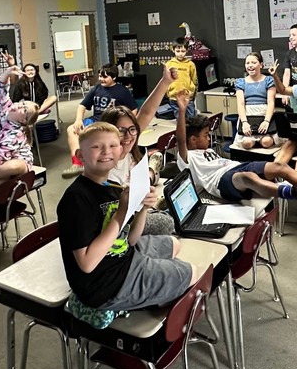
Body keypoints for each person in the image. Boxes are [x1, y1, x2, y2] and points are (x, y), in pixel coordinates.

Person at [57, 122, 198, 313]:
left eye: (113, 146)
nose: (106, 151)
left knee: (175, 244)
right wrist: (122, 212)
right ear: (80, 155)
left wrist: (143, 208)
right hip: (105, 286)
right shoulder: (76, 199)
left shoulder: (112, 186)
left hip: (124, 256)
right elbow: (87, 264)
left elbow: (130, 240)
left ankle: (155, 292)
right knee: (192, 273)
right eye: (97, 147)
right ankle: (148, 303)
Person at [176, 92, 297, 211]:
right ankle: (296, 193)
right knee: (246, 177)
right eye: (206, 135)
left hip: (236, 167)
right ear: (192, 140)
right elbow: (180, 139)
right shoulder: (187, 157)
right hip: (221, 182)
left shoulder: (207, 151)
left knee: (279, 165)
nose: (210, 138)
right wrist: (182, 111)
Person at [62, 65, 175, 181]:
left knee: (148, 178)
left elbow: (146, 113)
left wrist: (165, 82)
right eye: (120, 130)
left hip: (135, 188)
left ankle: (151, 171)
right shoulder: (102, 160)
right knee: (72, 129)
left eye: (132, 129)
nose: (128, 136)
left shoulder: (128, 147)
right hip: (121, 196)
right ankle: (151, 171)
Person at [234, 52, 277, 150]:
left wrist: (266, 121)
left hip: (265, 114)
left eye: (253, 62)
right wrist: (244, 122)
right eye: (247, 63)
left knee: (266, 142)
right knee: (247, 143)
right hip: (248, 115)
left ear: (261, 65)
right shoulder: (241, 82)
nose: (250, 65)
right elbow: (240, 104)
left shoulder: (269, 80)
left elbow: (271, 102)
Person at [73, 63, 137, 128]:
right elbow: (82, 105)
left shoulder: (123, 91)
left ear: (114, 77)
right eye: (100, 76)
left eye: (105, 77)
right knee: (72, 129)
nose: (101, 79)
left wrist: (128, 123)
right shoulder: (96, 88)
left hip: (113, 123)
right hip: (96, 121)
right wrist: (78, 120)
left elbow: (134, 109)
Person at [164, 40, 198, 118]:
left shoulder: (190, 64)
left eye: (183, 51)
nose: (180, 53)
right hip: (174, 97)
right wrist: (168, 92)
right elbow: (166, 80)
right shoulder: (169, 64)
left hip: (187, 97)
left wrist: (192, 93)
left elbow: (194, 79)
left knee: (191, 120)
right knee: (180, 120)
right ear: (173, 50)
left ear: (187, 50)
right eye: (178, 51)